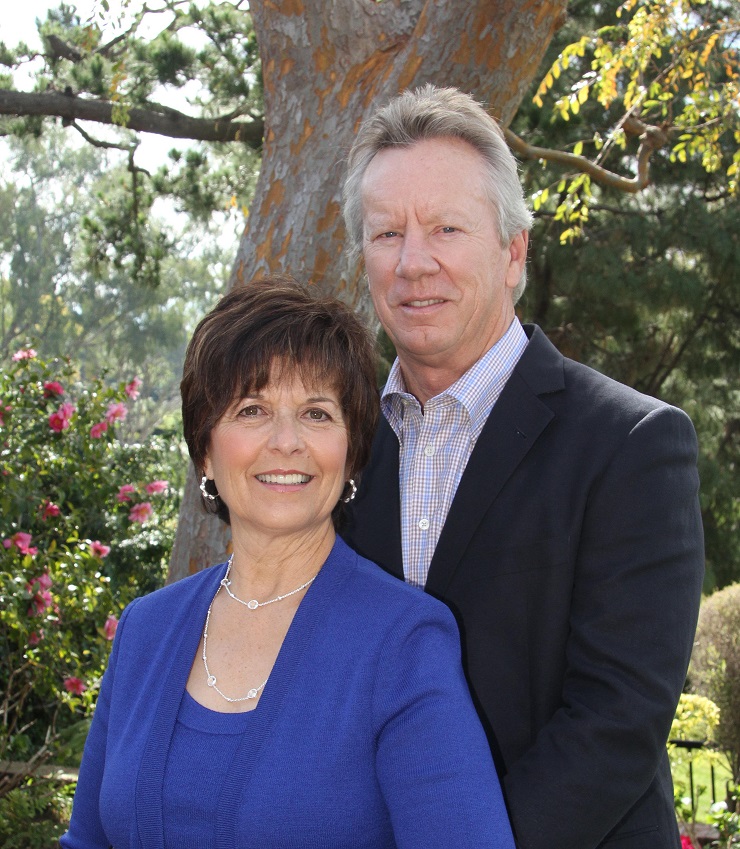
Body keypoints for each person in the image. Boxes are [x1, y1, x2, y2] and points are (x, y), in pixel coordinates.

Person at [340, 85, 705, 849]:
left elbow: (616, 721)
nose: (413, 262)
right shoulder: (342, 448)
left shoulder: (632, 444)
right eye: (387, 233)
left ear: (514, 252)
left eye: (446, 228)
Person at [60, 275, 515, 849]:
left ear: (351, 454)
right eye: (252, 409)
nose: (286, 441)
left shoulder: (404, 643)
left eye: (317, 414)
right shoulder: (145, 631)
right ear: (205, 449)